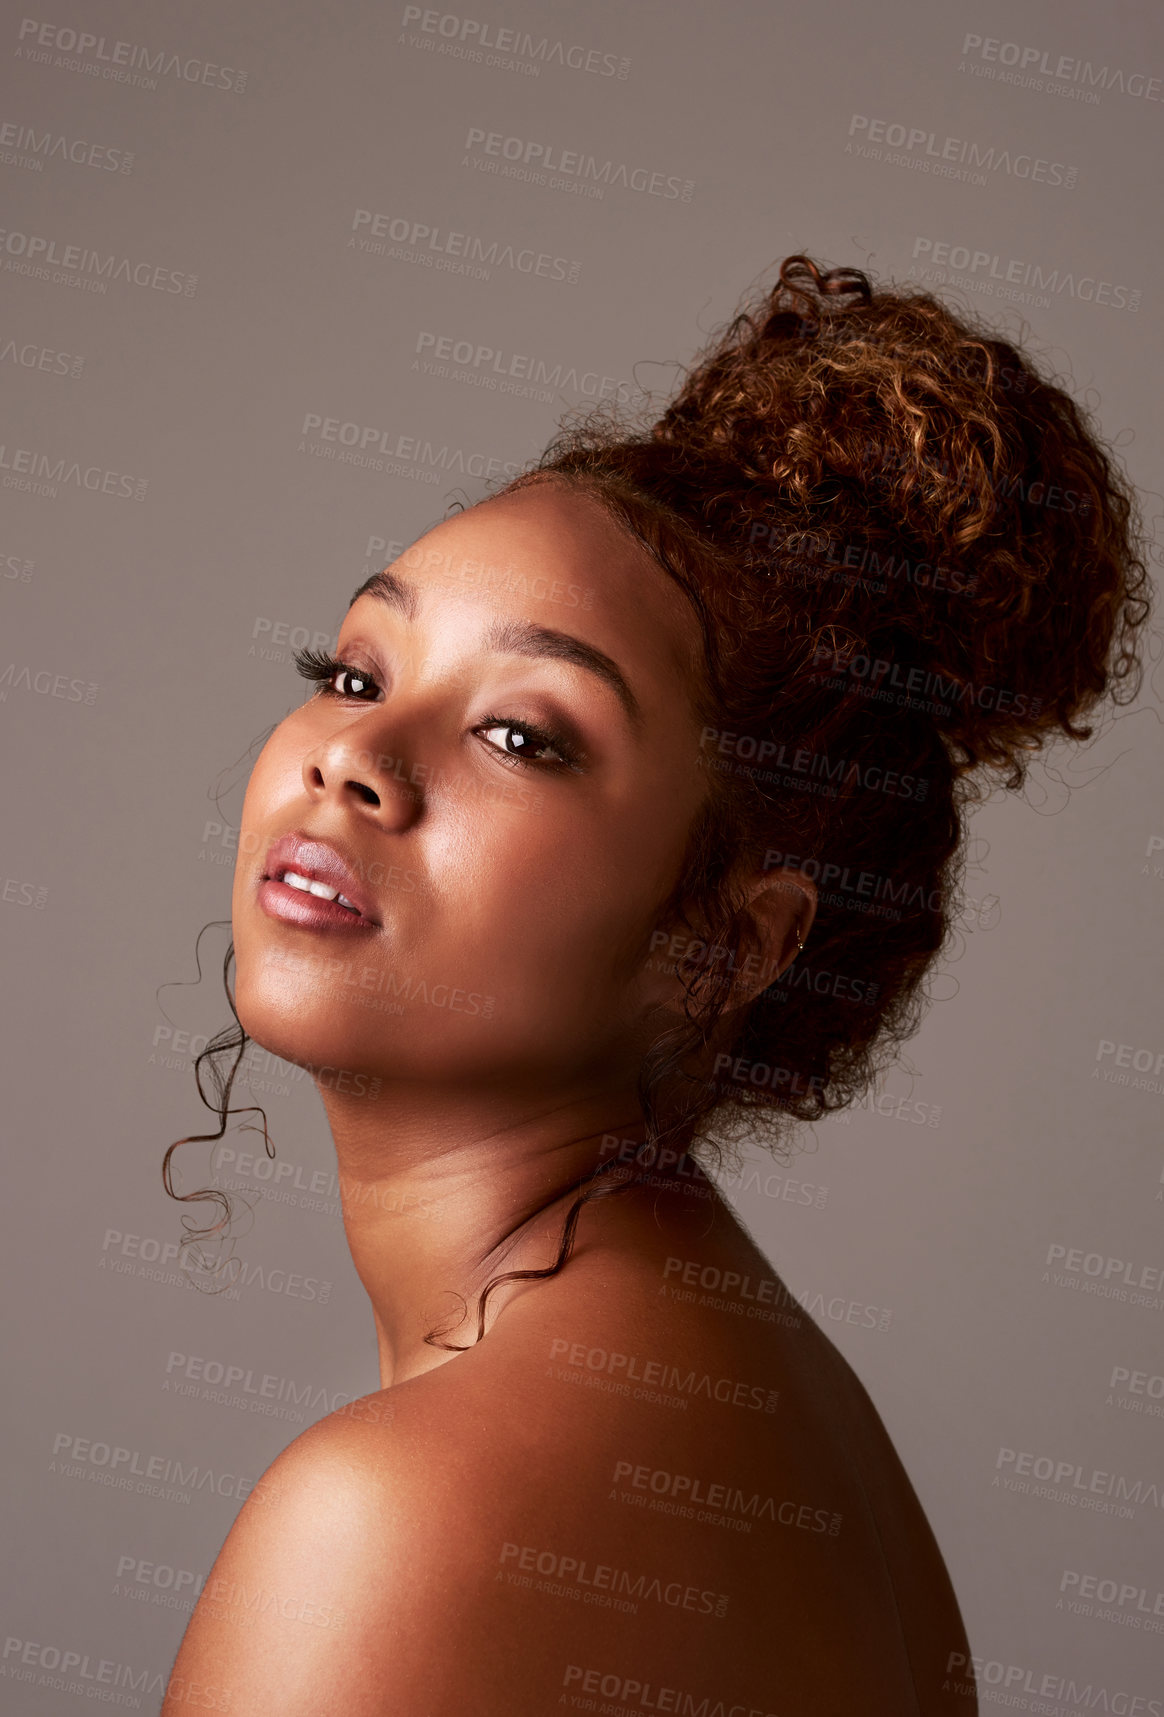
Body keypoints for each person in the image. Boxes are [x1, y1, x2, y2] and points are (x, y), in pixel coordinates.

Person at [161, 256, 1149, 1715]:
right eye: (357, 671)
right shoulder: (788, 1428)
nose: (351, 757)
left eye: (523, 736)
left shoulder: (398, 1516)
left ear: (729, 943)